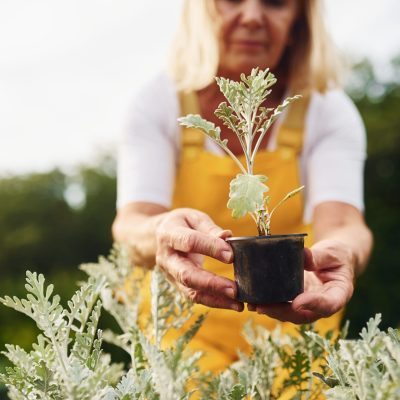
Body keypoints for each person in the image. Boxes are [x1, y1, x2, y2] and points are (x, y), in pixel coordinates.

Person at [113, 0, 373, 371]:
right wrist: (161, 231)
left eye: (275, 2)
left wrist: (343, 252)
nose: (252, 16)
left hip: (297, 321)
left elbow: (344, 223)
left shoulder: (328, 109)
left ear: (300, 19)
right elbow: (132, 223)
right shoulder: (156, 102)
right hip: (184, 331)